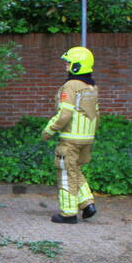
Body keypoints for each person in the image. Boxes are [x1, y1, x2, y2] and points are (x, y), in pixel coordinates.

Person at [41, 45, 98, 223]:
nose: (66, 66)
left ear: (77, 66)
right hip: (86, 139)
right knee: (75, 169)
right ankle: (87, 204)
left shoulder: (71, 85)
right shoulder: (92, 87)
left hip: (70, 139)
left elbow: (65, 113)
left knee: (65, 173)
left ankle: (68, 213)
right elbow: (96, 114)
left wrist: (49, 129)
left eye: (68, 63)